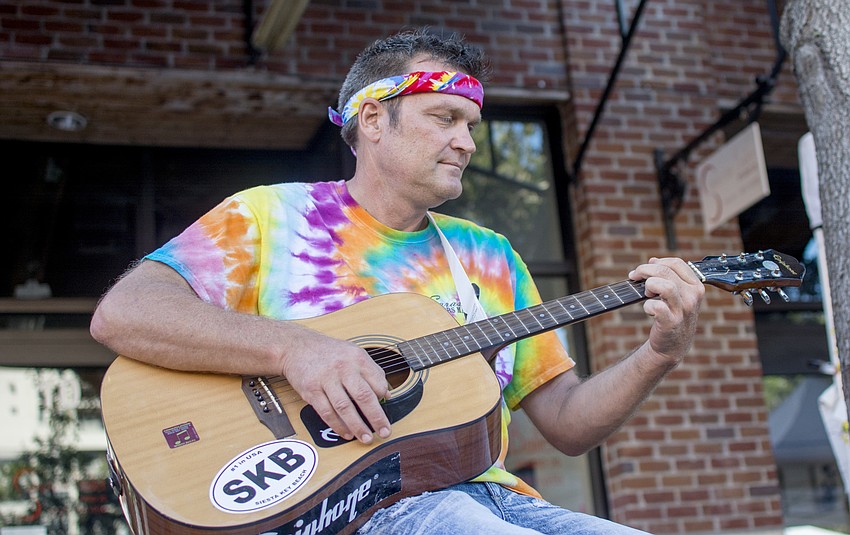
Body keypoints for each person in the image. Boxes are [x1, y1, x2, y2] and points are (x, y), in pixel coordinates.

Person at [90, 28, 703, 535]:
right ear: (374, 119)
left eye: (471, 125)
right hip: (344, 506)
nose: (466, 143)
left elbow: (567, 423)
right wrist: (295, 348)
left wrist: (660, 353)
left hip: (493, 497)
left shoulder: (489, 257)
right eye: (445, 118)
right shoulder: (269, 216)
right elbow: (124, 312)